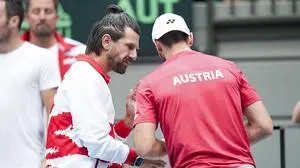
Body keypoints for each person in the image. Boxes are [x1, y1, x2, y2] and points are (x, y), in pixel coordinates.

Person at [133, 13, 273, 168]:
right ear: (190, 38)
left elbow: (144, 146)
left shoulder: (149, 84)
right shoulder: (229, 68)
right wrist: (223, 141)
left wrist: (181, 143)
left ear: (157, 45)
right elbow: (264, 126)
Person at [45, 4, 166, 168]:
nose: (134, 55)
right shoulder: (86, 77)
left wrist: (128, 122)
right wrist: (137, 160)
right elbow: (97, 144)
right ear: (106, 41)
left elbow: (96, 147)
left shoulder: (89, 76)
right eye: (129, 47)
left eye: (135, 49)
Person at [0, 0, 60, 167]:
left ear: (13, 21)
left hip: (30, 163)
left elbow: (54, 114)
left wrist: (51, 159)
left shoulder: (41, 58)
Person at [22, 0, 86, 81]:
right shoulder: (12, 53)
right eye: (36, 11)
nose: (42, 17)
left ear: (57, 17)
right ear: (26, 17)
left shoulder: (80, 53)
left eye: (48, 11)